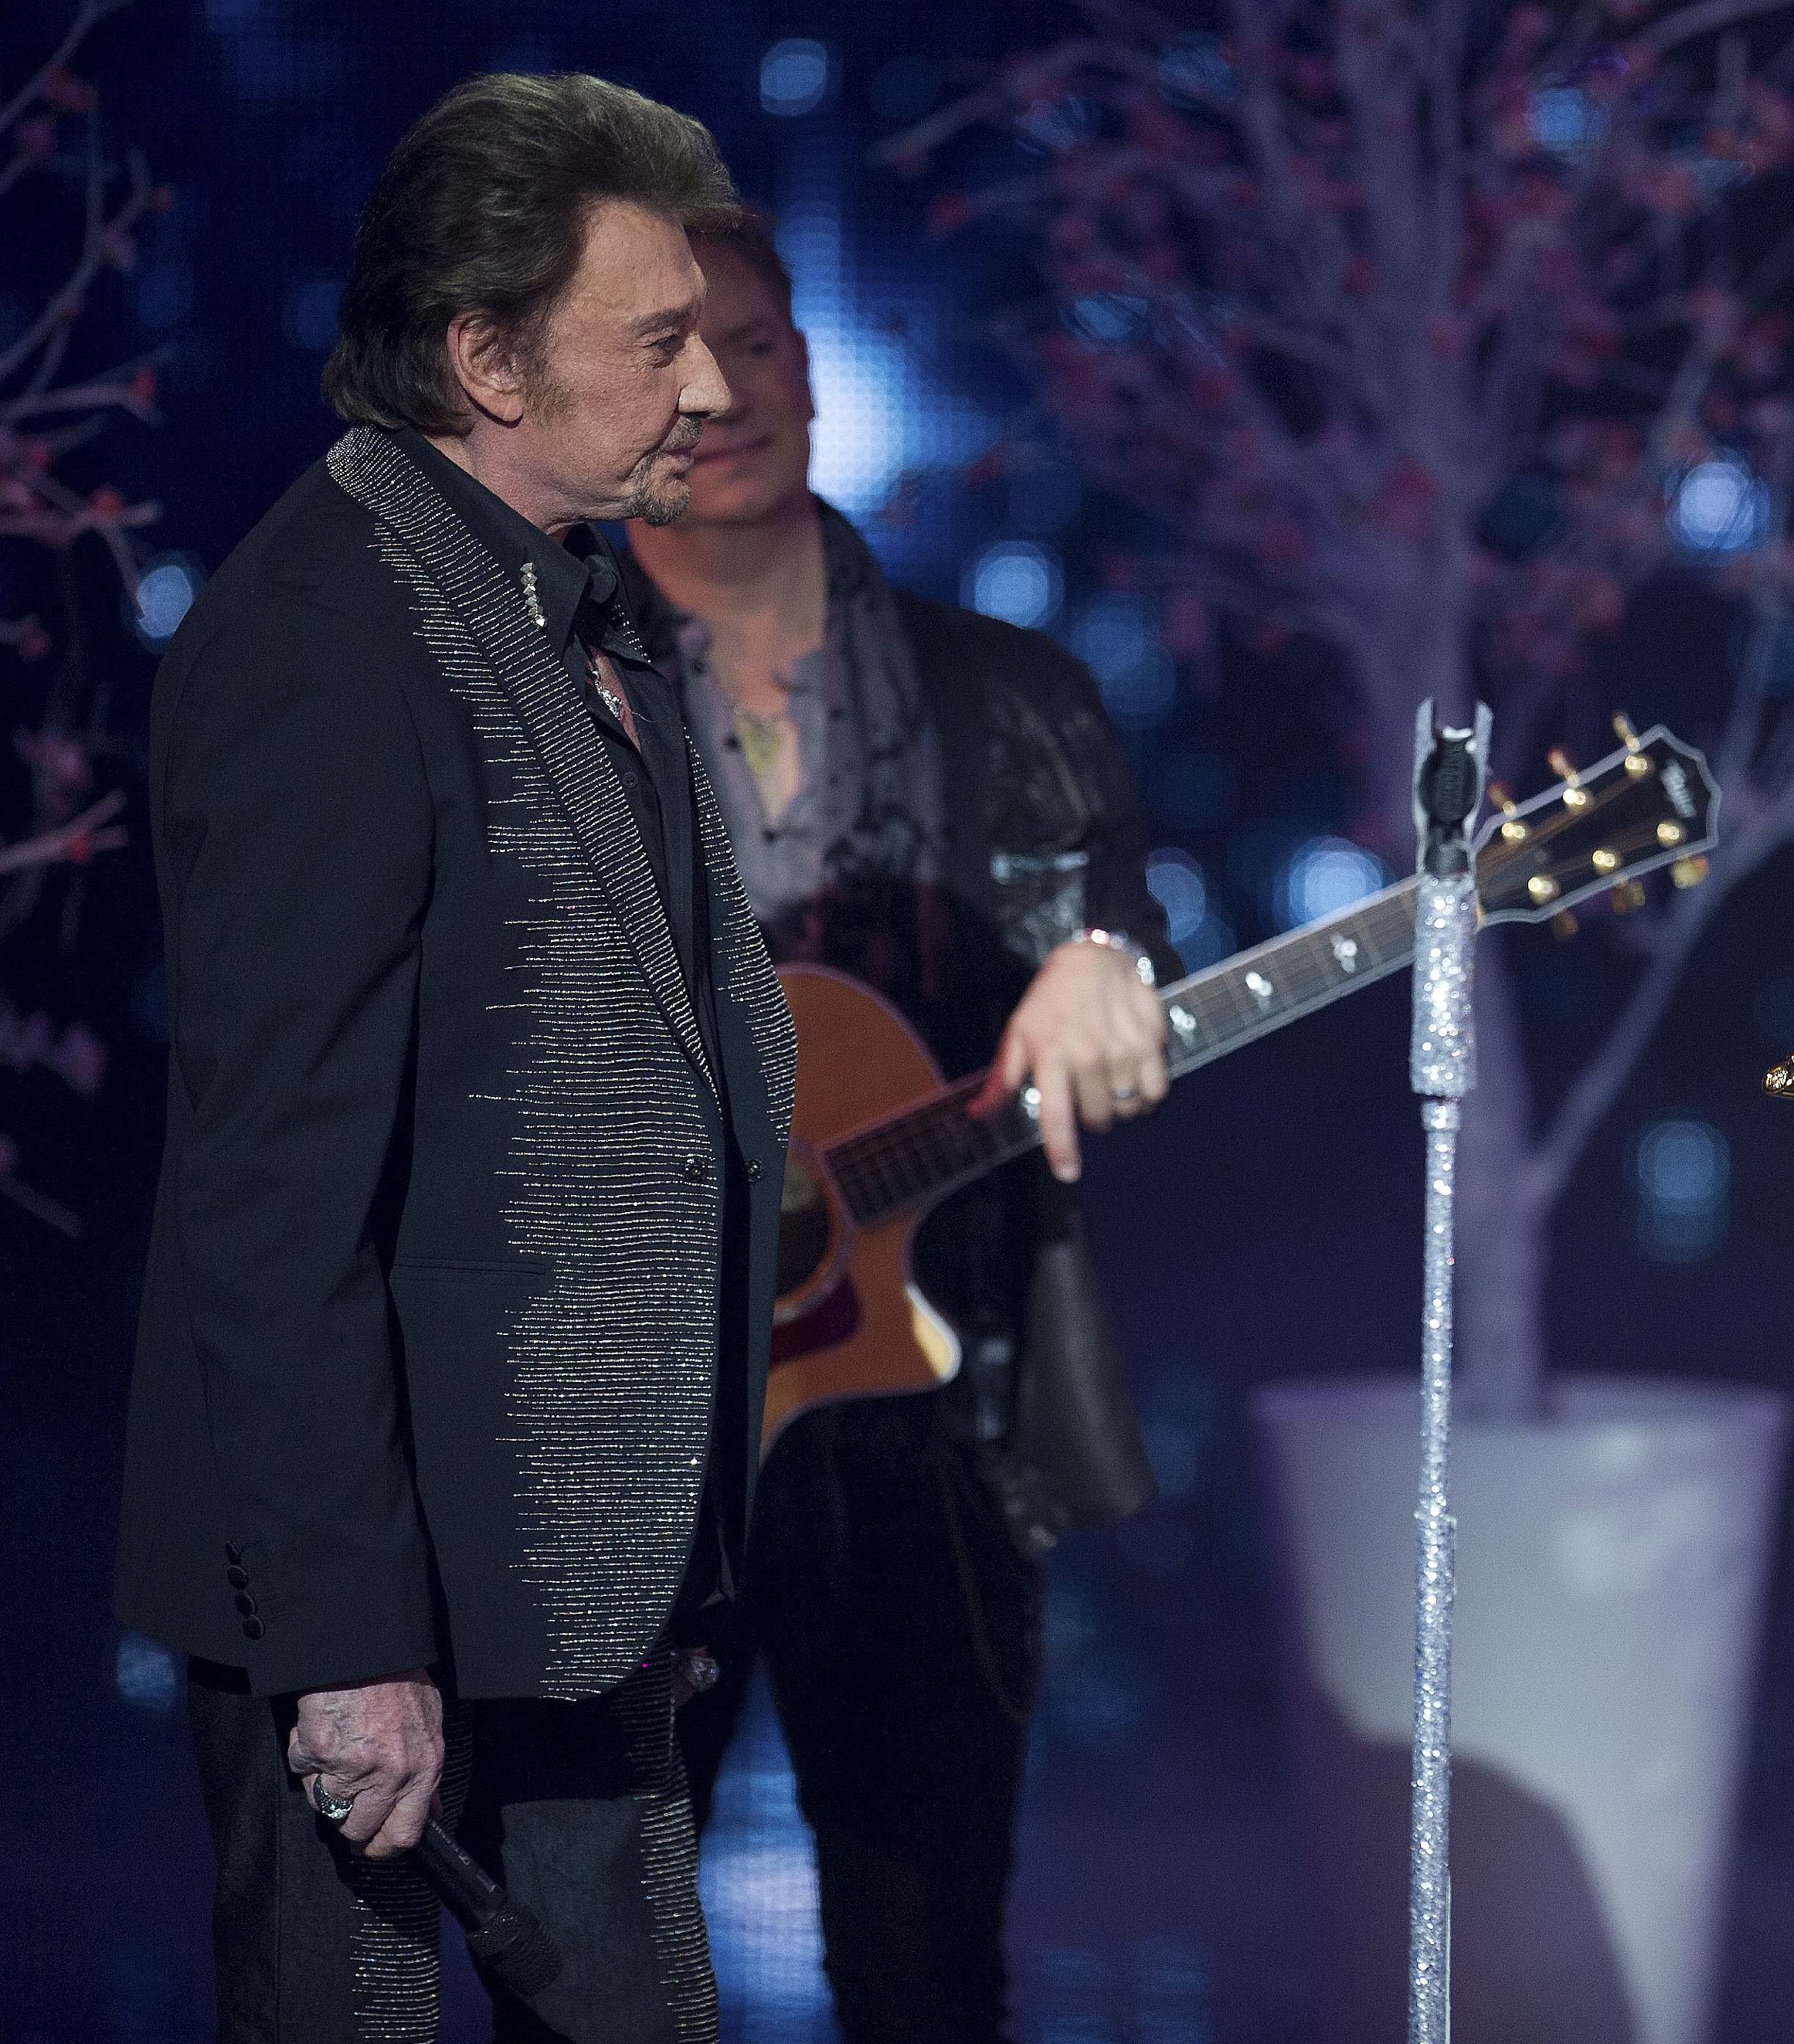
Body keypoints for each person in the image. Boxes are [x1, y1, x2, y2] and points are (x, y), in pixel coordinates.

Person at [114, 75, 795, 2042]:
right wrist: (348, 1647)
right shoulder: (323, 636)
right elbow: (275, 1191)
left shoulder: (584, 610)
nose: (706, 390)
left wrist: (670, 1559)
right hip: (377, 1618)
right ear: (485, 359)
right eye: (652, 342)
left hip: (577, 1593)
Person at [613, 212, 1174, 2041]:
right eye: (665, 356)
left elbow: (1117, 929)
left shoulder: (1013, 699)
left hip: (934, 1421)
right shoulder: (535, 710)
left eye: (755, 344)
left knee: (929, 1981)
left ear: (810, 366)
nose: (719, 394)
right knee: (593, 1979)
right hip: (615, 1444)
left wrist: (1102, 962)